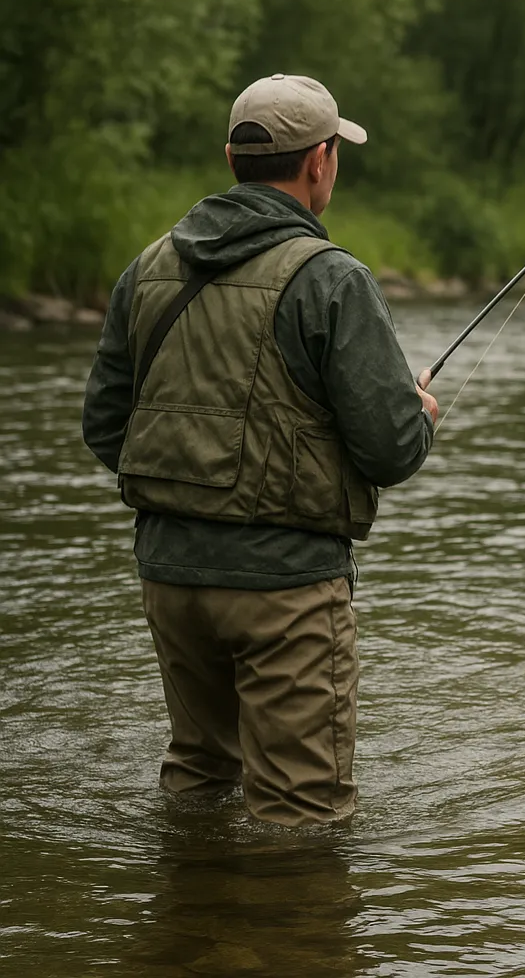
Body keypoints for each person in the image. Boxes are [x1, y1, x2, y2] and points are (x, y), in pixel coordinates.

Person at [82, 74, 438, 827]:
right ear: (319, 162)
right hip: (285, 590)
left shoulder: (146, 269)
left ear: (232, 157)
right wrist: (420, 413)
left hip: (170, 579)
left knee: (199, 784)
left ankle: (185, 931)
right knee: (301, 818)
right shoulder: (331, 279)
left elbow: (105, 427)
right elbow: (391, 450)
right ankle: (287, 941)